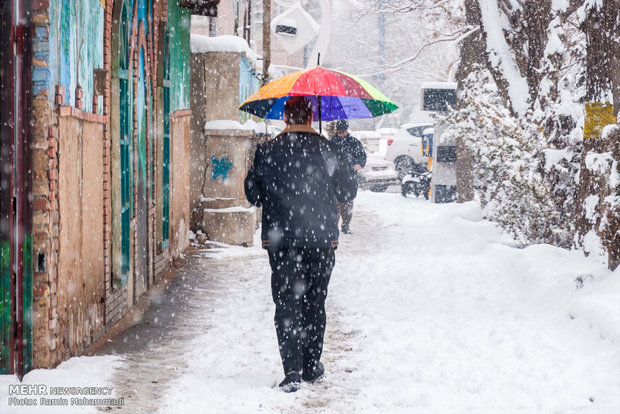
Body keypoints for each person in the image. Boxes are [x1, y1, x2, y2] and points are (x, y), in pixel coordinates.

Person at [244, 96, 358, 393]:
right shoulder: (329, 150)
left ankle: (292, 370)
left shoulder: (267, 150)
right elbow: (348, 191)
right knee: (314, 302)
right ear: (311, 117)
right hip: (321, 239)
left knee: (286, 303)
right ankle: (311, 366)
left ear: (285, 117)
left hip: (281, 240)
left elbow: (252, 194)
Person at [331, 120, 367, 234]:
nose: (341, 134)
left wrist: (359, 164)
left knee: (348, 203)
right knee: (334, 204)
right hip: (334, 178)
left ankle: (346, 225)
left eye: (343, 131)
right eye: (339, 132)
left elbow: (362, 156)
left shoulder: (354, 143)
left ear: (347, 130)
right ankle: (333, 226)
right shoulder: (331, 143)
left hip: (349, 178)